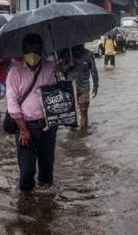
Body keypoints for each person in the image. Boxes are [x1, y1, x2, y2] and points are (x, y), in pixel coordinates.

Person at [6, 33, 57, 192]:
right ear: (23, 51)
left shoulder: (51, 68)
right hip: (26, 127)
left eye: (36, 49)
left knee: (47, 172)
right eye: (29, 50)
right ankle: (26, 206)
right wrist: (23, 129)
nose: (32, 54)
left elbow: (57, 94)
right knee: (26, 174)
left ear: (42, 50)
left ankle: (46, 206)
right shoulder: (15, 72)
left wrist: (64, 74)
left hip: (48, 126)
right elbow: (12, 103)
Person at [59, 45, 99, 128]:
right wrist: (69, 65)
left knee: (84, 111)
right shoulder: (66, 54)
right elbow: (61, 70)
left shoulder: (89, 54)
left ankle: (83, 134)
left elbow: (94, 71)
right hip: (70, 88)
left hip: (84, 88)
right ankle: (73, 133)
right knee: (71, 113)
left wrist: (95, 85)